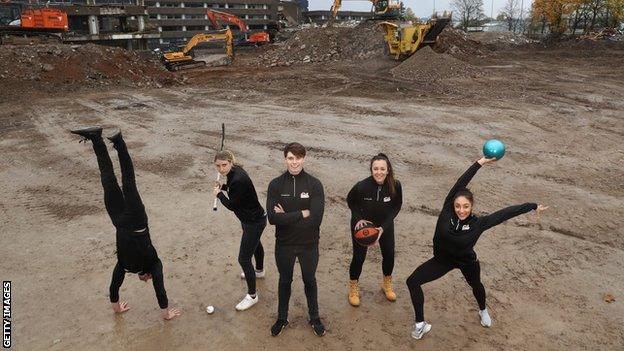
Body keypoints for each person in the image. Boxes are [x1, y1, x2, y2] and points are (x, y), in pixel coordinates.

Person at [406, 157, 548, 340]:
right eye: (458, 206)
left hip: (466, 261)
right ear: (452, 205)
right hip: (442, 260)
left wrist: (532, 206)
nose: (461, 210)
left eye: (465, 206)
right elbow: (461, 182)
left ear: (471, 207)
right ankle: (420, 325)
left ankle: (483, 310)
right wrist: (479, 163)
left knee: (476, 285)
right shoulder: (446, 211)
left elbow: (505, 213)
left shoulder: (479, 224)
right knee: (412, 281)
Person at [70, 126, 181, 321]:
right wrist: (166, 314)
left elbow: (113, 288)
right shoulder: (154, 264)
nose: (147, 280)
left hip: (119, 221)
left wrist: (117, 309)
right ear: (149, 276)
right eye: (149, 279)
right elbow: (160, 289)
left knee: (108, 180)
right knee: (128, 183)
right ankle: (119, 142)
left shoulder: (123, 266)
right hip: (137, 219)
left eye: (146, 279)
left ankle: (96, 138)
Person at [266, 142, 326, 337]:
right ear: (285, 159)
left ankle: (314, 317)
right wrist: (302, 212)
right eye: (290, 158)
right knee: (285, 280)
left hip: (309, 244)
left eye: (298, 158)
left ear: (304, 158)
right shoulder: (275, 184)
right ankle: (282, 318)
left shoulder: (314, 184)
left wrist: (287, 217)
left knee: (310, 280)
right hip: (284, 244)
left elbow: (316, 220)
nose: (294, 162)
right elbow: (273, 219)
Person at [212, 150, 266, 311]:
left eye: (224, 165)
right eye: (218, 166)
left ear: (230, 162)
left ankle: (252, 296)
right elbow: (236, 190)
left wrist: (219, 194)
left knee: (243, 259)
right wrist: (223, 186)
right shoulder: (236, 172)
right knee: (256, 244)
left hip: (253, 222)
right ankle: (260, 271)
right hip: (252, 218)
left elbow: (232, 205)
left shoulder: (238, 179)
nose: (221, 169)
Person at [346, 153, 402, 306]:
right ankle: (353, 287)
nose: (379, 172)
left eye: (382, 169)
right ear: (371, 170)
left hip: (384, 225)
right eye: (375, 169)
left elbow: (396, 207)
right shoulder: (361, 186)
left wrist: (382, 229)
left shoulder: (396, 185)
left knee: (389, 254)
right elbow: (350, 201)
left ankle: (386, 284)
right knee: (359, 258)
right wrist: (359, 219)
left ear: (388, 169)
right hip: (362, 226)